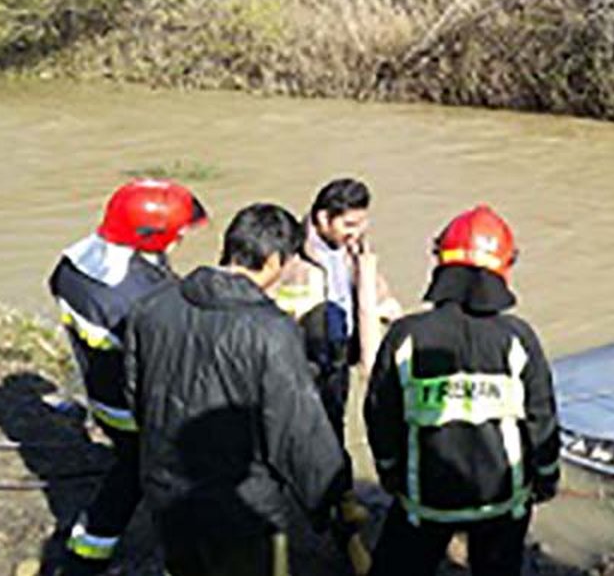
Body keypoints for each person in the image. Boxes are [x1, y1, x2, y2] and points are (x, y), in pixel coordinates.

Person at [123, 203, 346, 576]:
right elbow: (297, 429)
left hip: (167, 494)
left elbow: (135, 396)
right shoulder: (271, 331)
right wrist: (330, 497)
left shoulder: (151, 306)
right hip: (242, 509)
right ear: (275, 259)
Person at [365, 204, 561, 576]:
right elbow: (542, 419)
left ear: (441, 262)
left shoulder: (406, 336)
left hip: (424, 503)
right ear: (504, 267)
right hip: (502, 504)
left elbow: (380, 416)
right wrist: (546, 479)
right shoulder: (517, 339)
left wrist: (391, 474)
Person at [48, 179, 207, 574]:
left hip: (104, 398)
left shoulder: (73, 266)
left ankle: (86, 555)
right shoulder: (141, 298)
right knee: (161, 478)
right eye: (178, 232)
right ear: (151, 236)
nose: (183, 237)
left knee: (129, 466)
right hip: (138, 408)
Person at [273, 178, 400, 574]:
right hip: (297, 364)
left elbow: (375, 291)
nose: (356, 233)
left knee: (334, 430)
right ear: (322, 218)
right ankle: (285, 523)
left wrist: (397, 318)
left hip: (337, 358)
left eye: (361, 224)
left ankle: (340, 502)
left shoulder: (353, 249)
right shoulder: (290, 255)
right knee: (287, 441)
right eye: (349, 225)